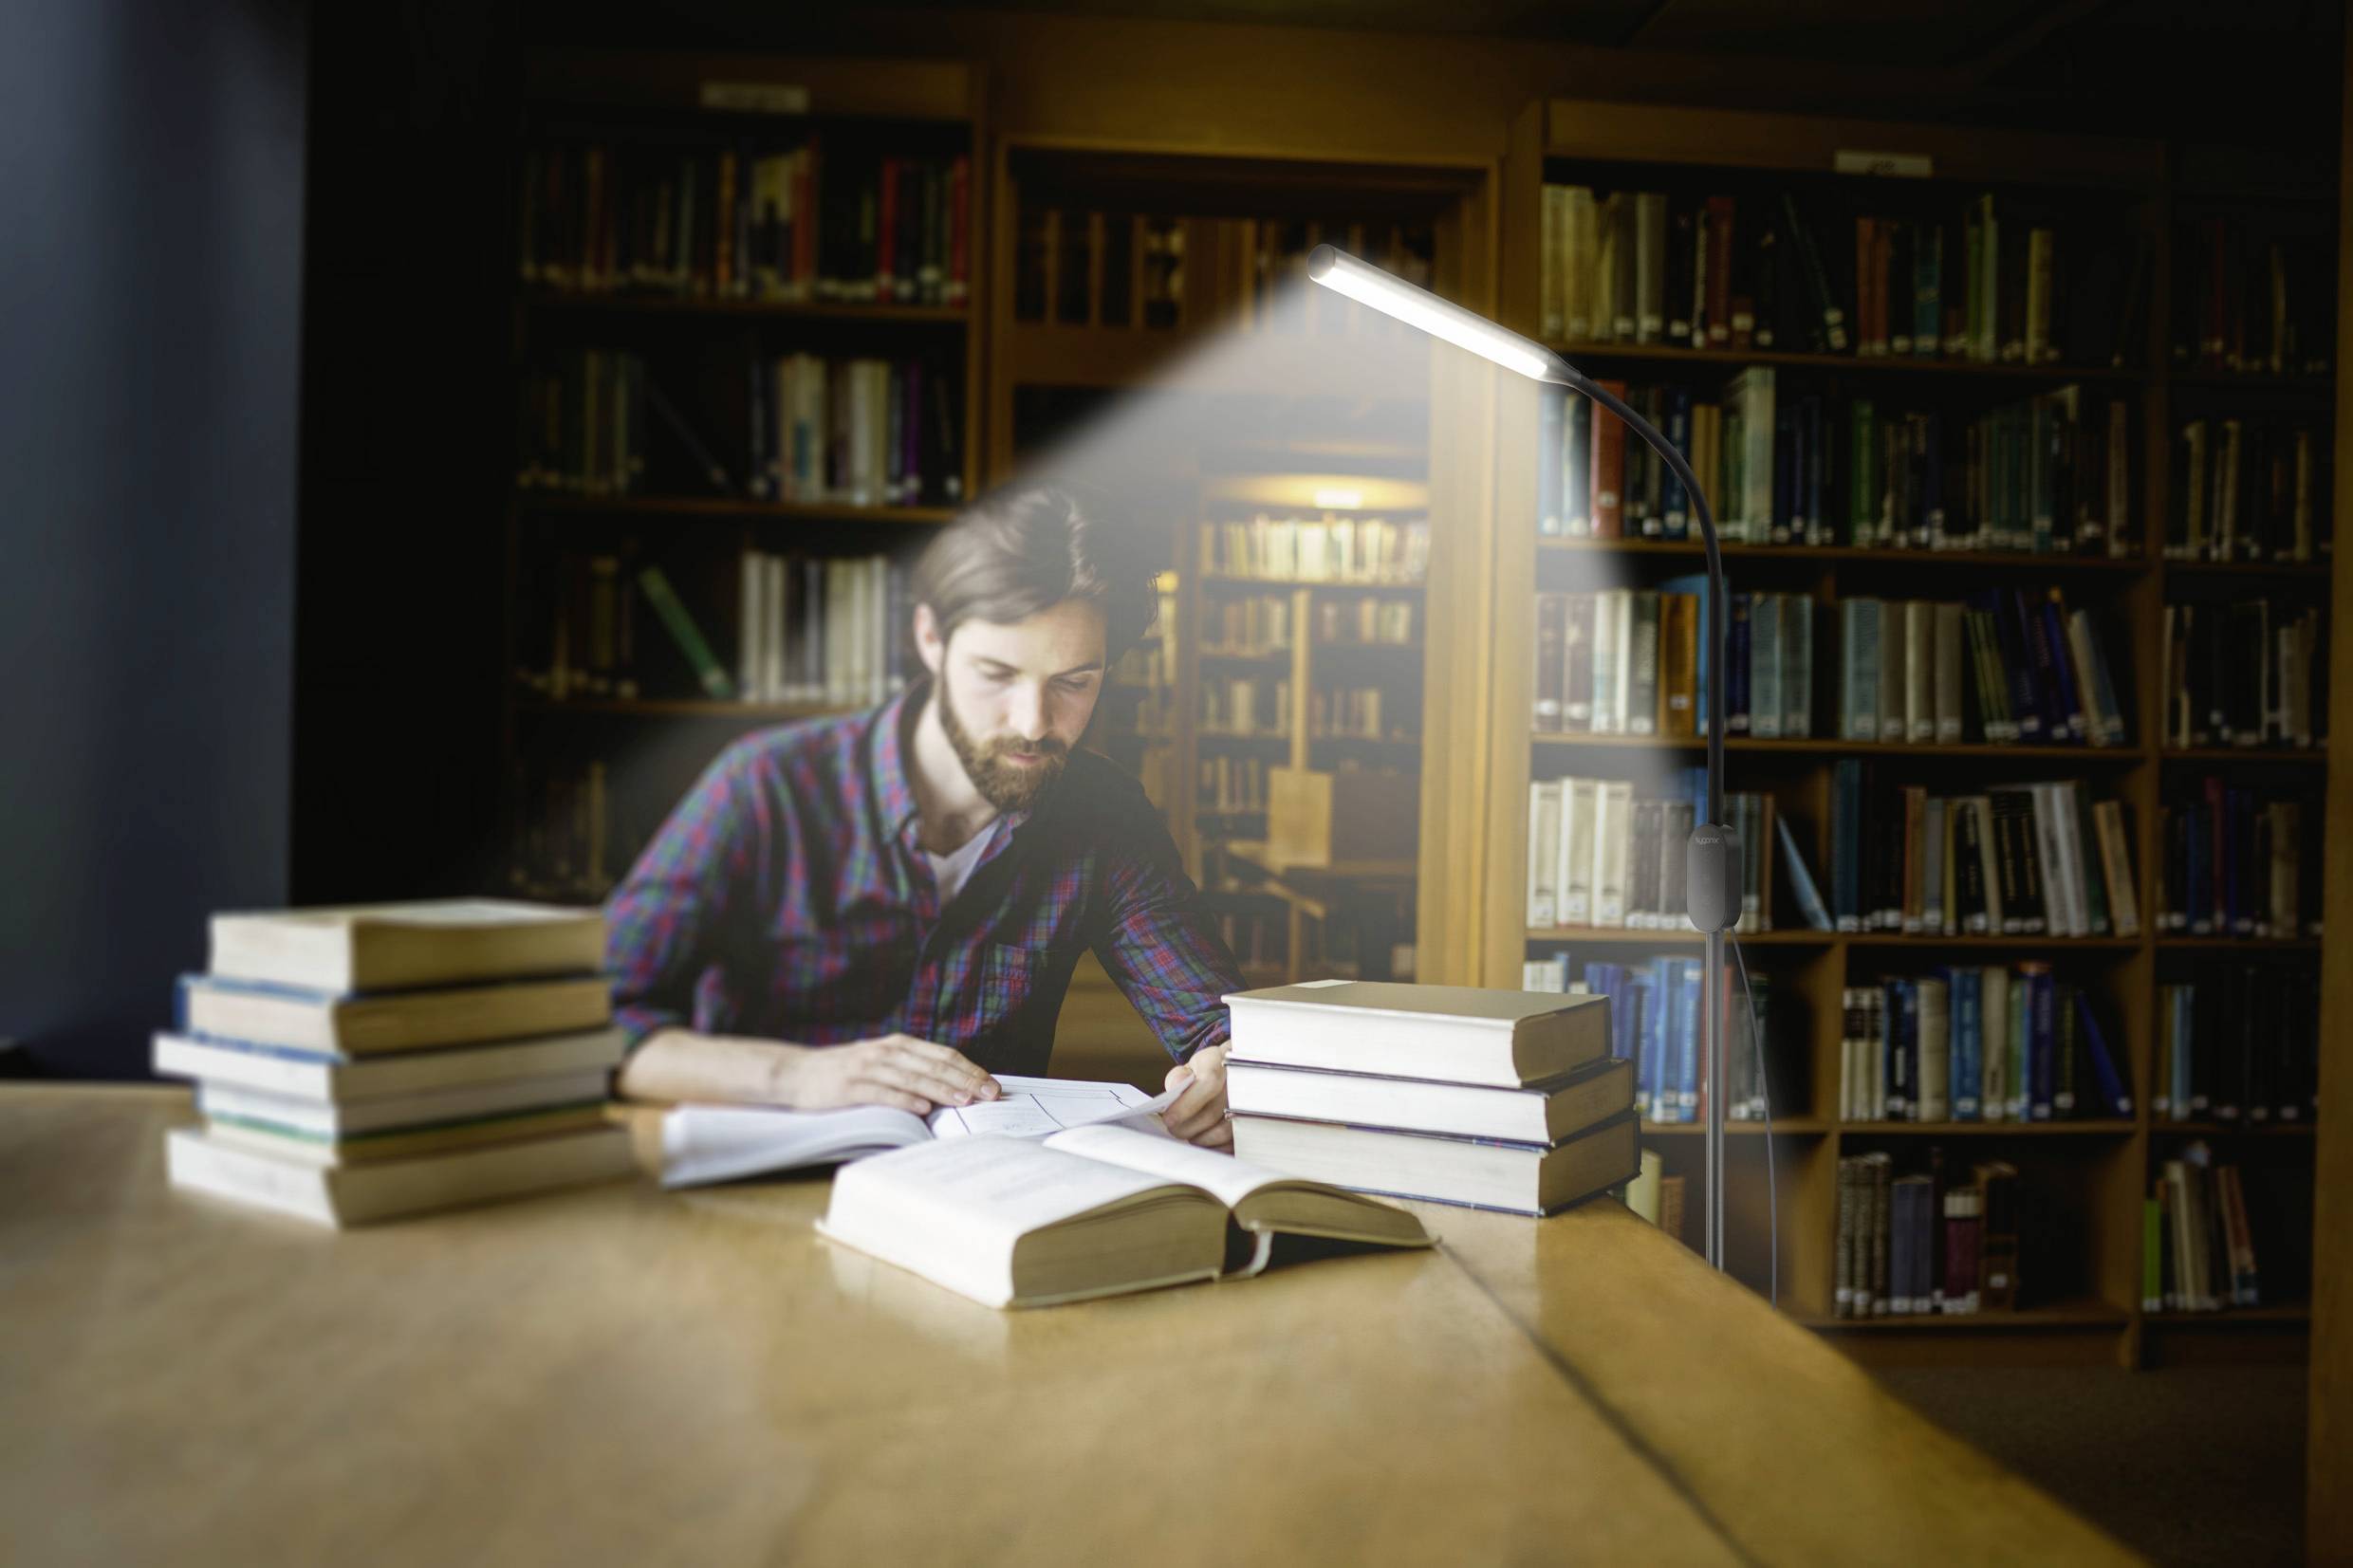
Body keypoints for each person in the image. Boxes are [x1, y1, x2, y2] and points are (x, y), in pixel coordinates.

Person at [605, 487, 1245, 1147]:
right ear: (931, 638)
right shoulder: (767, 786)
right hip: (769, 1186)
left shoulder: (1105, 815)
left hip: (984, 1195)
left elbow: (1221, 1027)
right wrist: (794, 1075)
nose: (1033, 722)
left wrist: (1228, 1070)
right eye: (997, 674)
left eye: (1074, 681)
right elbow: (592, 1020)